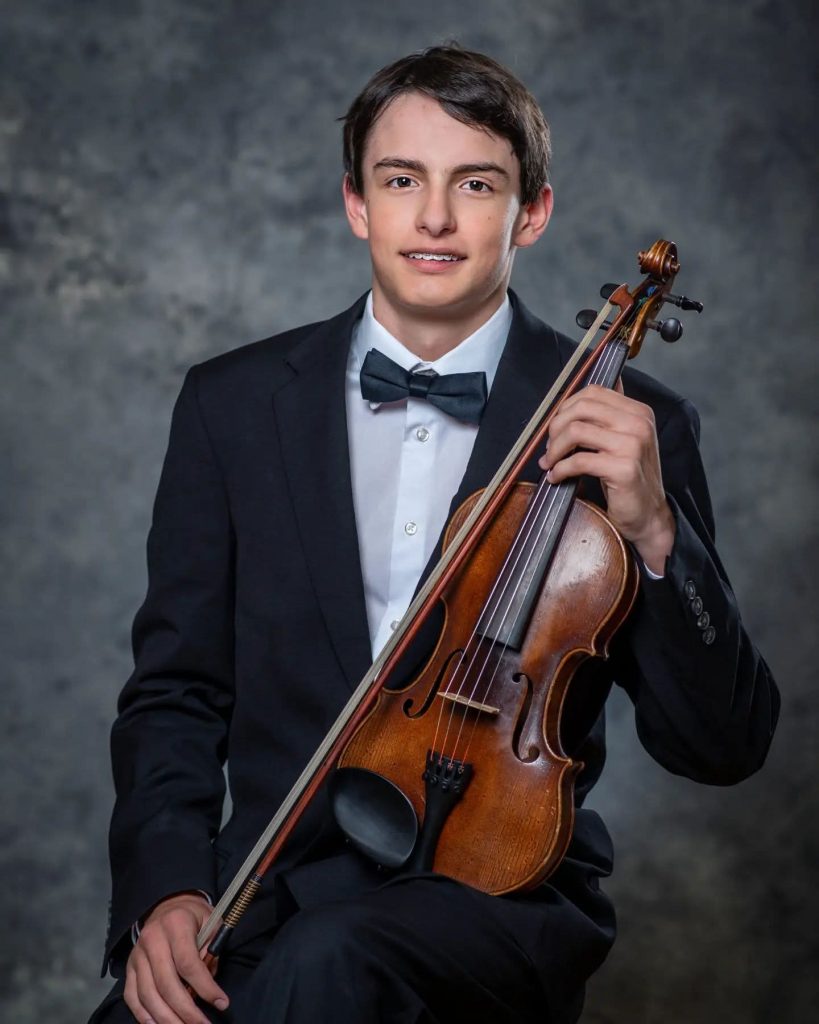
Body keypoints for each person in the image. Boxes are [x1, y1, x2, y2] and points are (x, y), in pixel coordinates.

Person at [90, 45, 779, 1024]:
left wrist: (657, 530)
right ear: (356, 203)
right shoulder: (229, 406)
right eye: (402, 179)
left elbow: (726, 745)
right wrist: (164, 890)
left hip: (501, 899)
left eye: (478, 183)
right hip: (269, 893)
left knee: (335, 964)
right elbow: (176, 691)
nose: (436, 217)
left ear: (531, 213)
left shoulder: (630, 421)